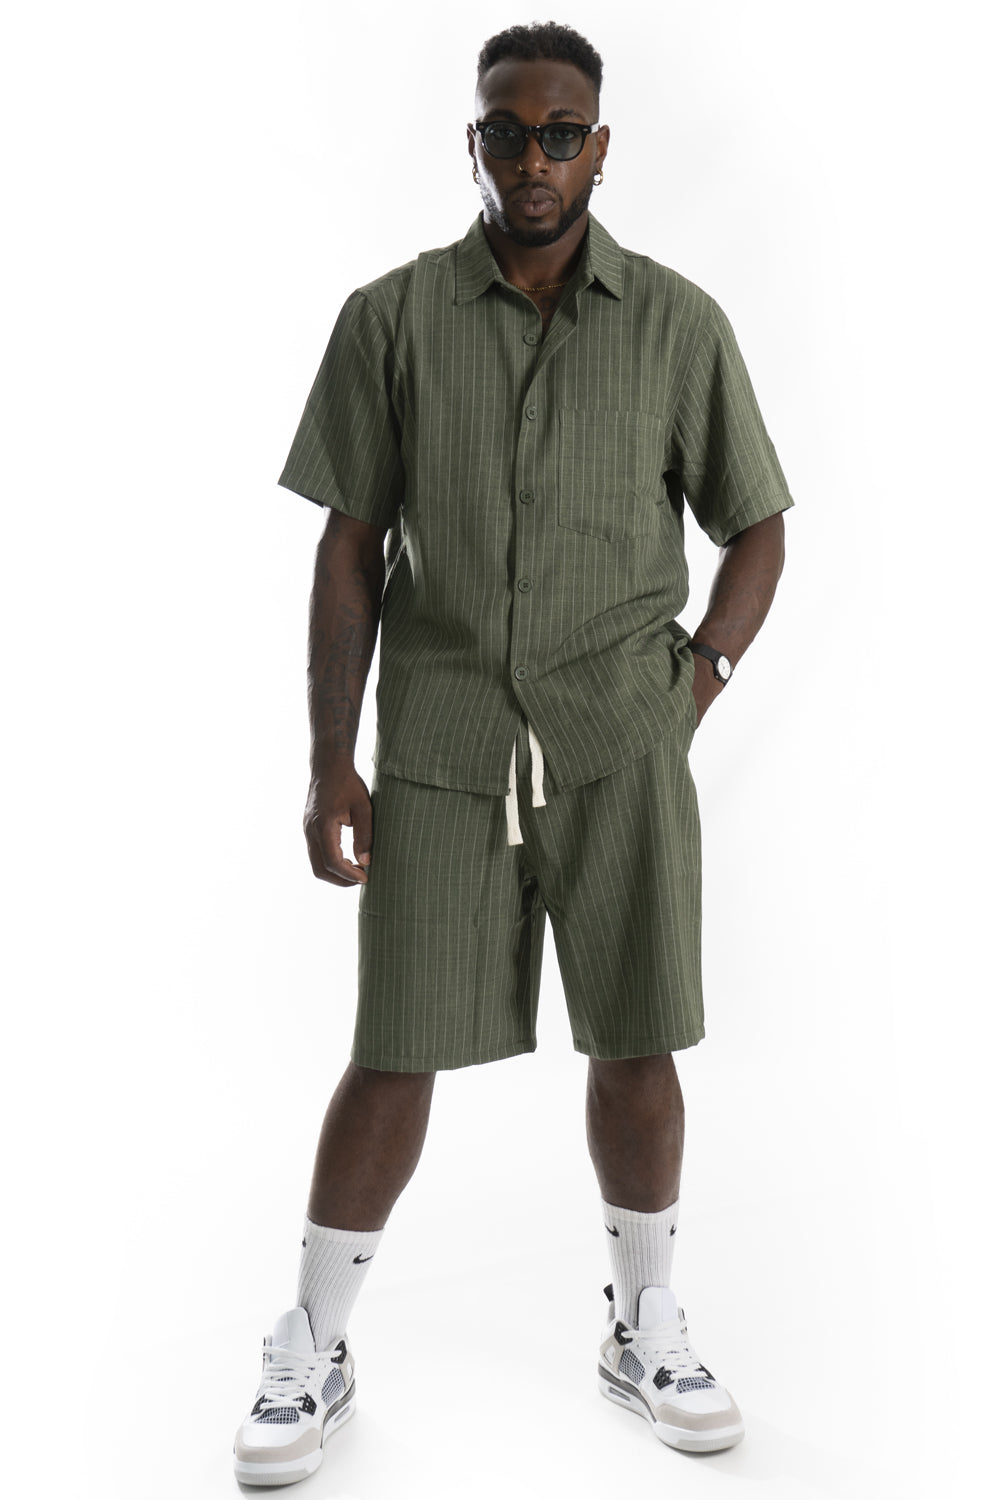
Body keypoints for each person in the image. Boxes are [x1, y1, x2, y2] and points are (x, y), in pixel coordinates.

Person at [234, 20, 792, 1487]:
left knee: (638, 1040)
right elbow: (350, 547)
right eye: (507, 130)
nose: (533, 157)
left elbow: (758, 524)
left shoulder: (677, 324)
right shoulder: (390, 320)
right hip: (442, 752)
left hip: (620, 744)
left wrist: (695, 685)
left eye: (559, 133)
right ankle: (313, 1340)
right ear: (471, 145)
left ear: (599, 150)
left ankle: (645, 1324)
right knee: (393, 1053)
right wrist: (330, 758)